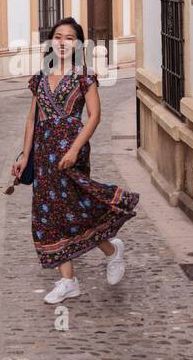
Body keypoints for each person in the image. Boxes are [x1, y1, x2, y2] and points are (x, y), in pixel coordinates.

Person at [12, 16, 139, 304]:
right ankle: (68, 281)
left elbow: (94, 117)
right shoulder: (41, 77)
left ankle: (111, 250)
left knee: (74, 208)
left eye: (69, 37)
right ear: (50, 41)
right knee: (50, 214)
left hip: (71, 150)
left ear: (79, 43)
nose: (63, 42)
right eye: (58, 36)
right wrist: (24, 155)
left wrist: (73, 150)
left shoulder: (85, 76)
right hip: (44, 153)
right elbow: (32, 119)